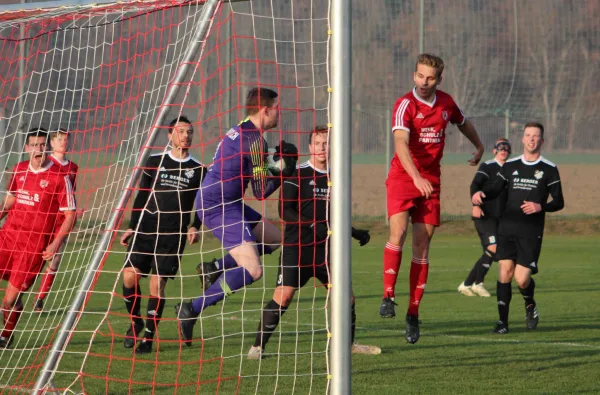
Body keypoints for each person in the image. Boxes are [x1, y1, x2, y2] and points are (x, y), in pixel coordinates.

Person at [176, 87, 298, 346]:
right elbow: (261, 190)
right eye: (276, 108)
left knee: (276, 238)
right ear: (265, 110)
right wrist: (283, 172)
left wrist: (275, 165)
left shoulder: (241, 128)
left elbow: (253, 168)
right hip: (218, 205)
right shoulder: (255, 141)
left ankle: (216, 267)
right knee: (253, 270)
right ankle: (190, 310)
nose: (278, 113)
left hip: (228, 200)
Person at [247, 126, 379, 360]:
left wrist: (353, 232)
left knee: (346, 296)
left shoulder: (336, 178)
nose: (322, 148)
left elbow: (333, 216)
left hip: (327, 251)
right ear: (309, 147)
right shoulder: (297, 174)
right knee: (284, 296)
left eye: (326, 143)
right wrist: (310, 225)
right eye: (317, 143)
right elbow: (284, 210)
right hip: (297, 249)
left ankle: (348, 345)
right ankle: (256, 348)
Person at [382, 53, 485, 344]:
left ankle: (413, 314)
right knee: (398, 232)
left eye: (429, 78)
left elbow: (462, 122)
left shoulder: (446, 103)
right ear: (414, 75)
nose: (423, 82)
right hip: (404, 177)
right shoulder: (405, 105)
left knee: (422, 245)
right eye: (419, 76)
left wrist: (478, 145)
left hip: (432, 180)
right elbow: (400, 143)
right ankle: (388, 295)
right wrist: (415, 177)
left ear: (438, 79)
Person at [119, 115, 206, 354]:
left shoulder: (198, 169)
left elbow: (202, 203)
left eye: (189, 132)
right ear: (170, 136)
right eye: (180, 131)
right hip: (145, 229)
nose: (185, 136)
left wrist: (195, 225)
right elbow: (141, 197)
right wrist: (132, 226)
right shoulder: (154, 161)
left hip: (172, 235)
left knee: (157, 285)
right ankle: (135, 322)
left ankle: (148, 338)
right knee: (129, 278)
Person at [472, 122, 564, 334]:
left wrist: (541, 206)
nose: (532, 139)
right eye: (528, 135)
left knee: (522, 279)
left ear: (541, 140)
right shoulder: (511, 165)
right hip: (507, 228)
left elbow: (559, 201)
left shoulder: (549, 169)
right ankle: (502, 323)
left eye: (536, 136)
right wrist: (481, 194)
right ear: (522, 139)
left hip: (531, 232)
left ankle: (529, 303)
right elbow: (496, 188)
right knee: (504, 272)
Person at [0, 128, 76, 348]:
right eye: (34, 145)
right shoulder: (19, 169)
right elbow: (11, 201)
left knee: (8, 301)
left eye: (43, 145)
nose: (39, 150)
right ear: (27, 148)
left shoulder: (60, 178)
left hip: (33, 246)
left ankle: (5, 334)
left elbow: (70, 215)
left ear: (48, 147)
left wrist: (54, 243)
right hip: (7, 236)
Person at [458, 138, 511, 298]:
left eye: (507, 148)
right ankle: (477, 284)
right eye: (500, 147)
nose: (503, 150)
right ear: (494, 150)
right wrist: (475, 205)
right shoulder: (487, 166)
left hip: (500, 218)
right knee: (493, 248)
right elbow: (475, 185)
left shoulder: (511, 169)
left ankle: (467, 284)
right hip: (484, 215)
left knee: (490, 252)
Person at [33, 128, 79, 312]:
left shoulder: (73, 167)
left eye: (66, 139)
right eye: (59, 139)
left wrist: (76, 208)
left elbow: (71, 193)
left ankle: (40, 298)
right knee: (35, 258)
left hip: (62, 221)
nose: (63, 142)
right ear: (51, 143)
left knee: (55, 259)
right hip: (43, 219)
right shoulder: (45, 163)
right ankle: (18, 292)